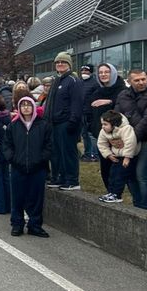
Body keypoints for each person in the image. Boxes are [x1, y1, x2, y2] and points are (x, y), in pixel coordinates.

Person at [116, 68, 147, 212]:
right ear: (130, 81)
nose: (141, 82)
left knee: (142, 173)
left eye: (143, 79)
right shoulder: (123, 95)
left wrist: (130, 139)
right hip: (129, 139)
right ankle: (138, 206)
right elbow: (117, 117)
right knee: (130, 174)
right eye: (137, 80)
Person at [5, 96, 53, 237]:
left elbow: (49, 146)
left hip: (38, 168)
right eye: (23, 105)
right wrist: (13, 159)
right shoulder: (13, 126)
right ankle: (17, 224)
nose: (26, 108)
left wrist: (40, 159)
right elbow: (7, 145)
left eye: (28, 105)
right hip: (18, 168)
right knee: (17, 198)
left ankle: (35, 225)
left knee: (36, 198)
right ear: (19, 108)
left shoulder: (43, 125)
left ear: (33, 107)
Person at [85, 63, 125, 194]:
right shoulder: (97, 91)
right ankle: (110, 191)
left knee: (116, 167)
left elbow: (124, 107)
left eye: (106, 72)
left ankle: (116, 193)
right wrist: (92, 127)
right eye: (100, 72)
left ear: (112, 73)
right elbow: (89, 110)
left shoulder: (122, 90)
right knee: (105, 168)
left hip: (118, 136)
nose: (103, 74)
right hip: (101, 136)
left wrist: (109, 102)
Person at [46, 51, 83, 191]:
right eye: (58, 62)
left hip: (66, 123)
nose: (60, 64)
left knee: (68, 152)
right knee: (57, 153)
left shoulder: (73, 81)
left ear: (69, 65)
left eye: (63, 62)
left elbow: (77, 103)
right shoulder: (57, 80)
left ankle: (72, 180)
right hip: (54, 123)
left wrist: (72, 122)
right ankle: (60, 177)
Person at [96, 110, 140, 204]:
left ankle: (117, 194)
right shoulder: (103, 131)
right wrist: (108, 154)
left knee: (120, 176)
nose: (103, 126)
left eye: (105, 124)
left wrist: (127, 157)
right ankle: (111, 192)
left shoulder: (126, 129)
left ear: (114, 124)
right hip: (117, 156)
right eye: (102, 124)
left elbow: (130, 143)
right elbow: (101, 143)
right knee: (112, 174)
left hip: (129, 157)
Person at [78, 65, 99, 161]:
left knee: (92, 135)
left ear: (90, 72)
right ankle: (87, 153)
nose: (84, 72)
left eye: (86, 70)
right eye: (82, 70)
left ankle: (95, 154)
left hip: (91, 113)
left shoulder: (95, 83)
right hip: (81, 113)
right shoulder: (79, 82)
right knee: (84, 135)